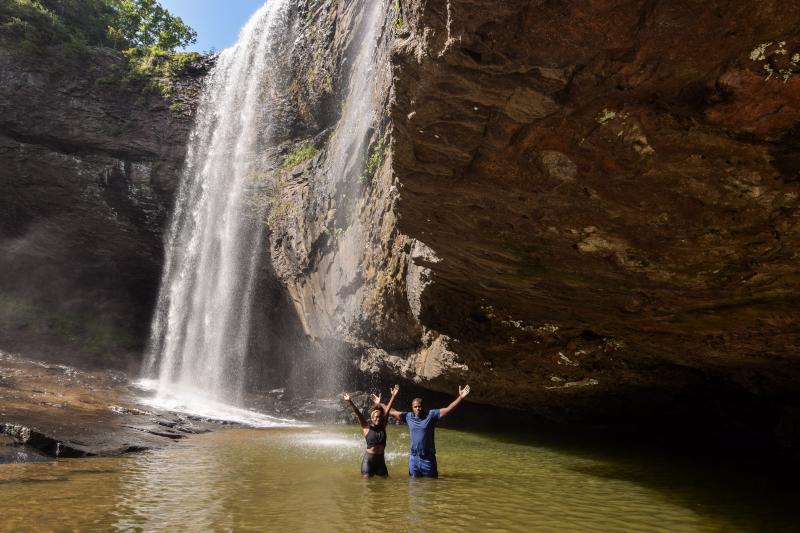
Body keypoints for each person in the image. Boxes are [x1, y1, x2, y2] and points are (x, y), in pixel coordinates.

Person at [374, 384, 470, 478]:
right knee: (413, 486)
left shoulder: (431, 415)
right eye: (415, 407)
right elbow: (392, 411)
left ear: (423, 406)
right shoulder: (408, 416)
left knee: (431, 486)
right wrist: (380, 403)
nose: (418, 408)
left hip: (427, 459)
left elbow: (448, 409)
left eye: (419, 406)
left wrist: (460, 397)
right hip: (413, 458)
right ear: (412, 407)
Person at [339, 384, 399, 477]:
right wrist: (350, 401)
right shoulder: (366, 427)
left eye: (379, 417)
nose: (378, 419)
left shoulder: (383, 426)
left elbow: (387, 410)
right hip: (368, 462)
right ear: (371, 418)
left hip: (381, 462)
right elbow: (358, 413)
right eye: (375, 417)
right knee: (367, 488)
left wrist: (393, 396)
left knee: (385, 485)